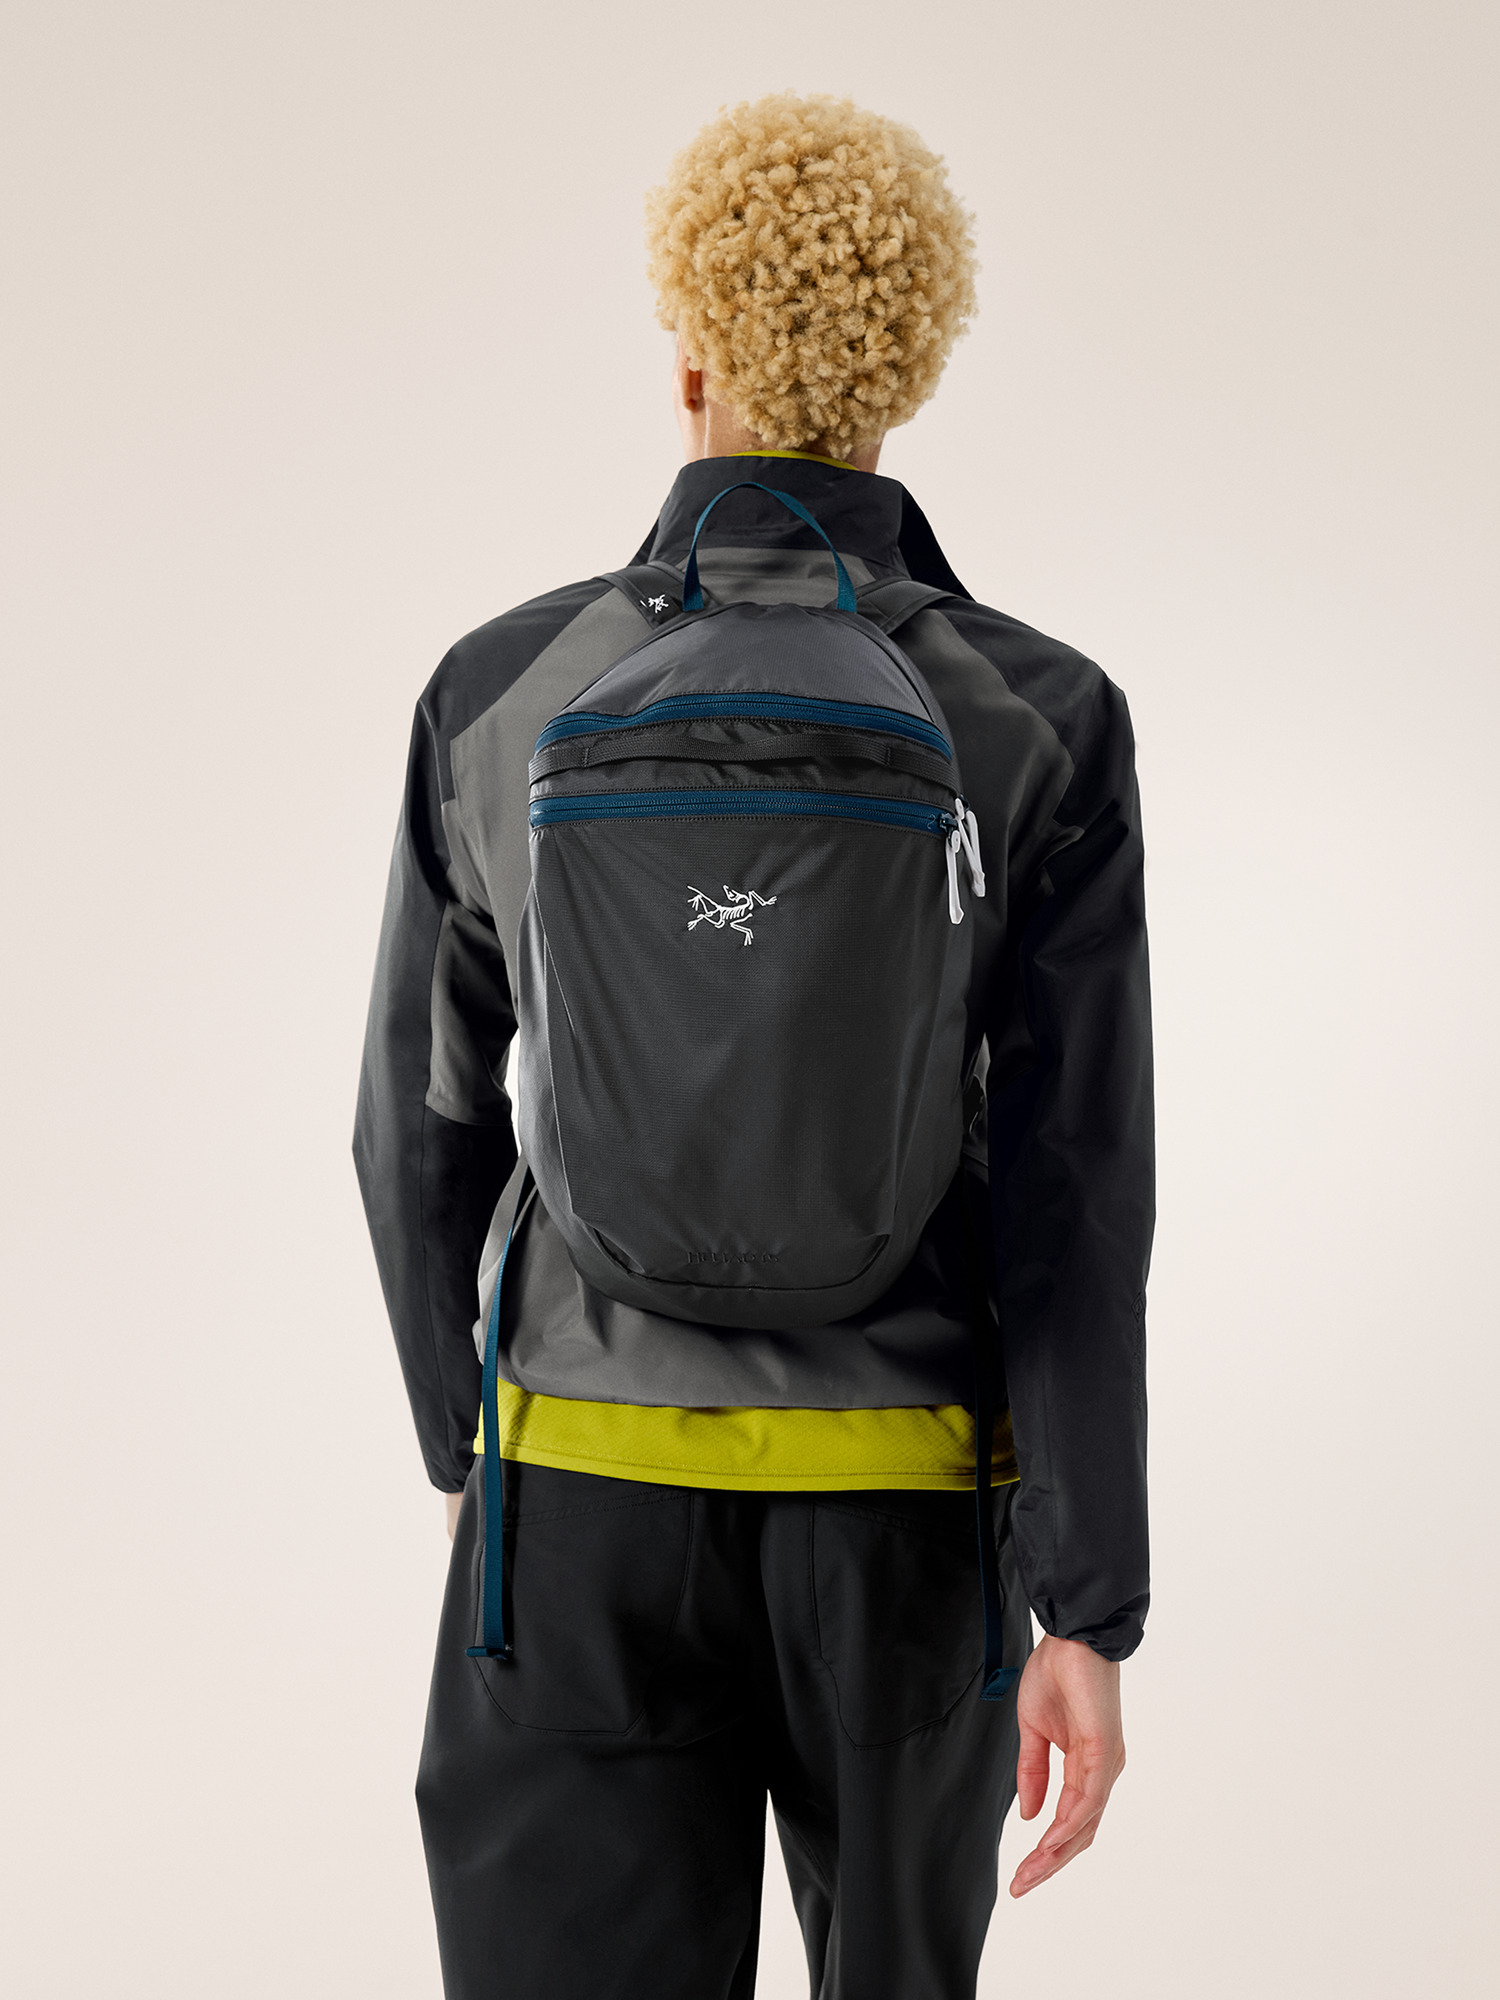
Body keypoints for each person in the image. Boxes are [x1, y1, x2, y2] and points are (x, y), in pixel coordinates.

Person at [354, 90, 1153, 2000]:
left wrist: (474, 1452)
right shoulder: (1039, 714)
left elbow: (420, 1124)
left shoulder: (503, 688)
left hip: (581, 1493)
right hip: (906, 1518)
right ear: (906, 378)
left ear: (689, 357)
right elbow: (1074, 1189)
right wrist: (1086, 1603)